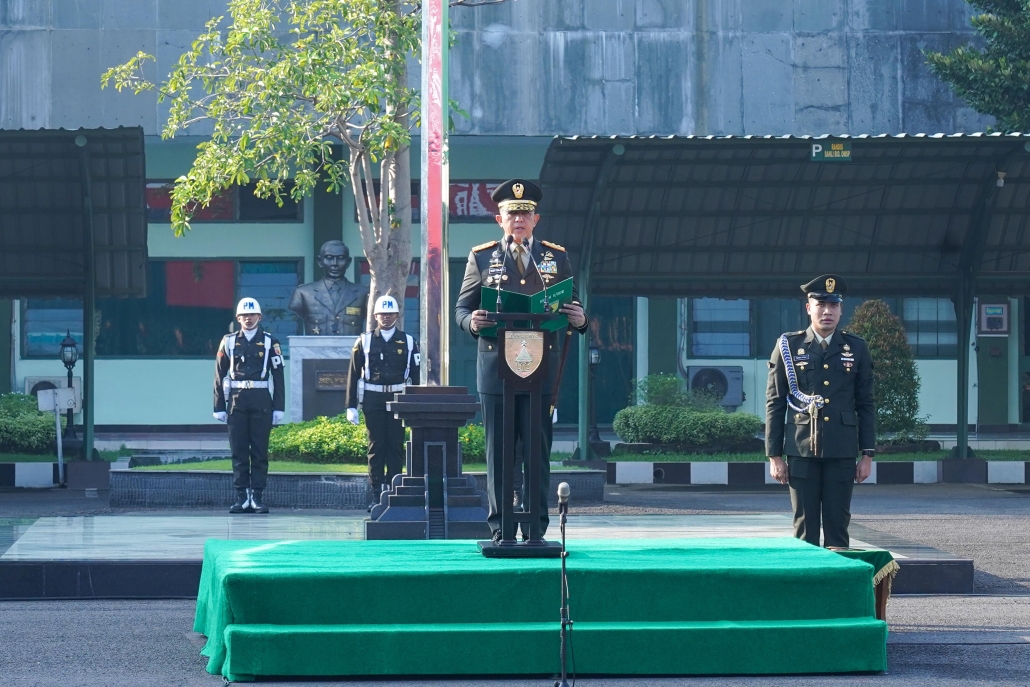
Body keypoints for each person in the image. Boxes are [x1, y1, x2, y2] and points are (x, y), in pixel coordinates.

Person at [455, 179, 588, 543]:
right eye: (511, 214)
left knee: (536, 452)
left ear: (536, 219)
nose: (518, 220)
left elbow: (574, 307)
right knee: (499, 453)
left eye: (525, 214)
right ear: (499, 219)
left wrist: (581, 319)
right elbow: (462, 309)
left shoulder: (555, 257)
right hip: (496, 370)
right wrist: (471, 322)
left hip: (539, 369)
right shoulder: (483, 257)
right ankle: (501, 528)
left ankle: (534, 530)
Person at [765, 274, 875, 548]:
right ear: (808, 308)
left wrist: (867, 455)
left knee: (838, 524)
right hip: (801, 448)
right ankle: (808, 574)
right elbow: (775, 402)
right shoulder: (788, 346)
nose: (827, 311)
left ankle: (838, 574)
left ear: (841, 309)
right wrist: (774, 456)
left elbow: (866, 403)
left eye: (833, 305)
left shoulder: (856, 347)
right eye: (821, 304)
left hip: (842, 449)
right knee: (805, 526)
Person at [346, 295, 420, 511]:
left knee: (395, 446)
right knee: (376, 446)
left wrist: (414, 404)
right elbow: (353, 374)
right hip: (373, 398)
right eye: (382, 314)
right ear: (375, 316)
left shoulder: (408, 342)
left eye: (390, 314)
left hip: (398, 398)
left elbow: (415, 376)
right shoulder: (364, 341)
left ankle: (394, 491)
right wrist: (351, 406)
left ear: (397, 315)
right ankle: (377, 493)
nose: (386, 317)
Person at [213, 297, 286, 514]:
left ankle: (257, 496)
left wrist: (279, 406)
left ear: (259, 317)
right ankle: (241, 496)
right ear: (238, 318)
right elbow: (219, 375)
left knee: (260, 451)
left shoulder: (270, 342)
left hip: (261, 399)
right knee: (238, 450)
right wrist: (218, 405)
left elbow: (278, 376)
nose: (248, 318)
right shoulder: (228, 341)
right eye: (244, 315)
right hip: (236, 400)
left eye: (252, 315)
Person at [288, 239, 369, 335]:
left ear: (348, 262)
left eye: (341, 258)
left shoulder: (363, 293)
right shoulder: (303, 293)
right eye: (329, 258)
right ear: (320, 261)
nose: (335, 263)